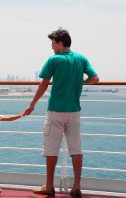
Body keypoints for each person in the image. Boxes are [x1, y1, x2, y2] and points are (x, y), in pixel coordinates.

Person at [23, 28, 99, 197]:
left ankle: (49, 186)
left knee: (51, 150)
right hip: (74, 111)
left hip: (56, 111)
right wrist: (82, 82)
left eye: (52, 42)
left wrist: (32, 104)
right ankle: (77, 186)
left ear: (60, 42)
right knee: (76, 149)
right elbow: (95, 78)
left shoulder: (54, 60)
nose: (51, 46)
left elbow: (43, 84)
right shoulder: (81, 58)